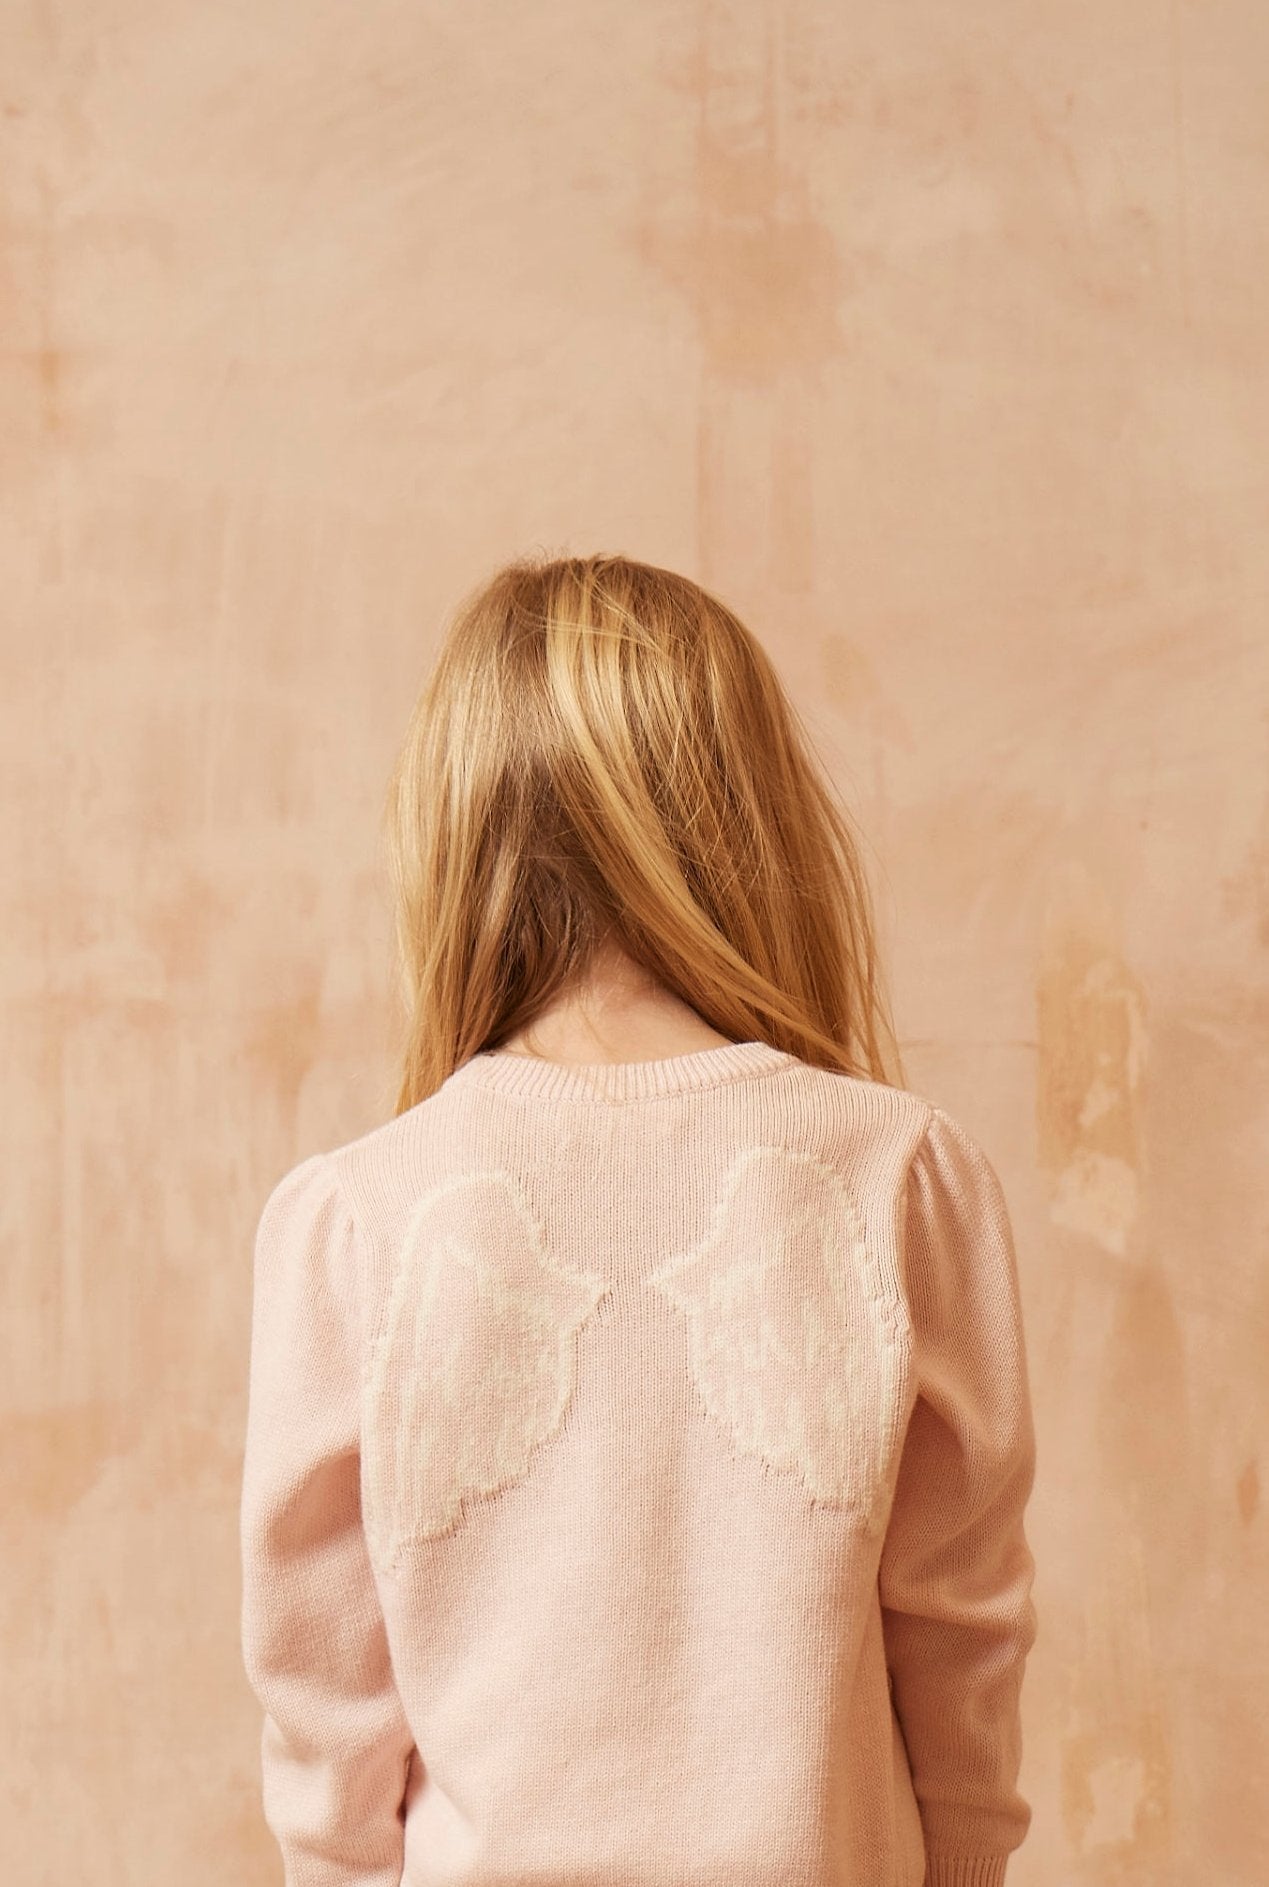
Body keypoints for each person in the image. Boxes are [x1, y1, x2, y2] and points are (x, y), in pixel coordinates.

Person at [238, 551, 1039, 1887]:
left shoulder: (355, 1222)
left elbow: (328, 1723)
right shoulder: (898, 1178)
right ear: (754, 816)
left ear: (452, 834)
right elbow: (962, 1643)